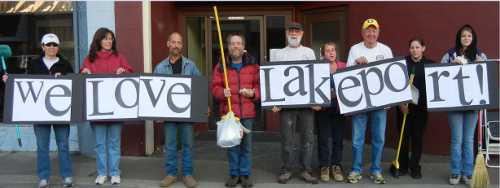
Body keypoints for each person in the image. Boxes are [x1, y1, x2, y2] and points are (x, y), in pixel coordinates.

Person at [2, 33, 75, 188]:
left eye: (54, 44)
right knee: (42, 146)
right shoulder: (34, 64)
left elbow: (74, 83)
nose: (51, 47)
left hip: (60, 112)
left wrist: (63, 78)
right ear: (42, 46)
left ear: (58, 47)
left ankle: (67, 176)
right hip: (39, 112)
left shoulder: (65, 64)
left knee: (63, 145)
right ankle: (43, 178)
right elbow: (24, 82)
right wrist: (10, 80)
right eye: (48, 44)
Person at [81, 27, 133, 185]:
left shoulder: (119, 57)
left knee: (114, 143)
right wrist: (84, 73)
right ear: (98, 40)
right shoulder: (89, 59)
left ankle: (115, 172)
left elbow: (131, 75)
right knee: (100, 143)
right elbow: (82, 80)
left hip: (116, 109)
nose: (109, 41)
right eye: (105, 38)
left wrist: (123, 71)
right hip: (97, 110)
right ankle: (102, 172)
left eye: (111, 38)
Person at [345, 18, 393, 184]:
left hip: (380, 102)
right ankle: (356, 169)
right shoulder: (355, 49)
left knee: (378, 137)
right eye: (368, 30)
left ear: (378, 32)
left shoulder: (385, 50)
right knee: (358, 137)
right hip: (360, 101)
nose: (371, 33)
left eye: (374, 30)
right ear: (362, 32)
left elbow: (391, 75)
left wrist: (389, 100)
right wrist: (356, 64)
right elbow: (347, 76)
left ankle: (376, 169)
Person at [272, 22, 319, 184]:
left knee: (308, 138)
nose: (293, 33)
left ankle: (306, 170)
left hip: (307, 105)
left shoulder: (309, 52)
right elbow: (275, 79)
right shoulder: (279, 54)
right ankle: (286, 169)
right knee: (287, 138)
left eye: (296, 31)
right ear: (286, 33)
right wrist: (275, 101)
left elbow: (315, 77)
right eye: (291, 30)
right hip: (286, 105)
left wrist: (316, 100)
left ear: (302, 33)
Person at [440, 24, 487, 185]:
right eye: (463, 36)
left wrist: (482, 65)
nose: (466, 38)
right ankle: (455, 172)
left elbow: (486, 77)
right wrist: (450, 66)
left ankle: (467, 173)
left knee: (468, 140)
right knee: (456, 140)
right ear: (458, 38)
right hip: (455, 103)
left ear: (473, 38)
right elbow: (439, 75)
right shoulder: (449, 54)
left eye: (469, 36)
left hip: (472, 105)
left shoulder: (480, 55)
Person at [211, 33, 260, 188]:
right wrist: (221, 93)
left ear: (243, 46)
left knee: (246, 146)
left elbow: (260, 87)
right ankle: (234, 174)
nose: (236, 46)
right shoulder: (221, 65)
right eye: (232, 43)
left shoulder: (253, 65)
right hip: (230, 112)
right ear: (228, 46)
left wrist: (253, 93)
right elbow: (215, 88)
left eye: (239, 43)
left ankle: (245, 175)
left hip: (247, 113)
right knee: (232, 146)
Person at [155, 32, 201, 188]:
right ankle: (171, 174)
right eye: (173, 42)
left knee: (188, 144)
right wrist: (157, 113)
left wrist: (202, 106)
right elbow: (155, 91)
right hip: (168, 114)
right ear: (168, 44)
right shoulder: (160, 67)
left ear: (182, 45)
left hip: (186, 113)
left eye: (179, 42)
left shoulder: (191, 65)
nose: (176, 45)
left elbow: (199, 87)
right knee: (170, 144)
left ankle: (187, 174)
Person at [389, 37, 434, 179]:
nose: (415, 50)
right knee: (403, 137)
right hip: (404, 108)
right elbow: (394, 85)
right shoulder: (401, 64)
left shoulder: (430, 65)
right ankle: (401, 165)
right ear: (409, 49)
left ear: (423, 48)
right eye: (412, 47)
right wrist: (400, 104)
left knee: (417, 138)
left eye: (417, 47)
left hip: (421, 109)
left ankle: (415, 167)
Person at [316, 42, 346, 183]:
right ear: (323, 54)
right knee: (323, 139)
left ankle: (336, 165)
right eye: (328, 51)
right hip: (323, 109)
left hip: (340, 109)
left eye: (333, 50)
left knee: (338, 139)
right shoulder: (317, 68)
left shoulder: (344, 66)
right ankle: (324, 166)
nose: (331, 52)